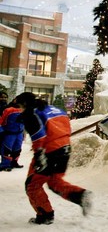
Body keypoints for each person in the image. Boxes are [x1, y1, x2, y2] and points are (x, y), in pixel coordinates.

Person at [14, 92, 92, 225]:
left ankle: (45, 215)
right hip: (65, 149)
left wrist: (39, 154)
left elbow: (39, 135)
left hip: (48, 151)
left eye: (19, 106)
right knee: (54, 181)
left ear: (25, 104)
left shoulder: (31, 114)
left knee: (32, 185)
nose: (19, 110)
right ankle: (80, 195)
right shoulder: (54, 109)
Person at [0, 100, 25, 171]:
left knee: (17, 148)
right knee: (7, 148)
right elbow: (3, 121)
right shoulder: (9, 110)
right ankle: (5, 164)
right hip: (9, 133)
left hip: (19, 132)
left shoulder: (25, 110)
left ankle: (14, 162)